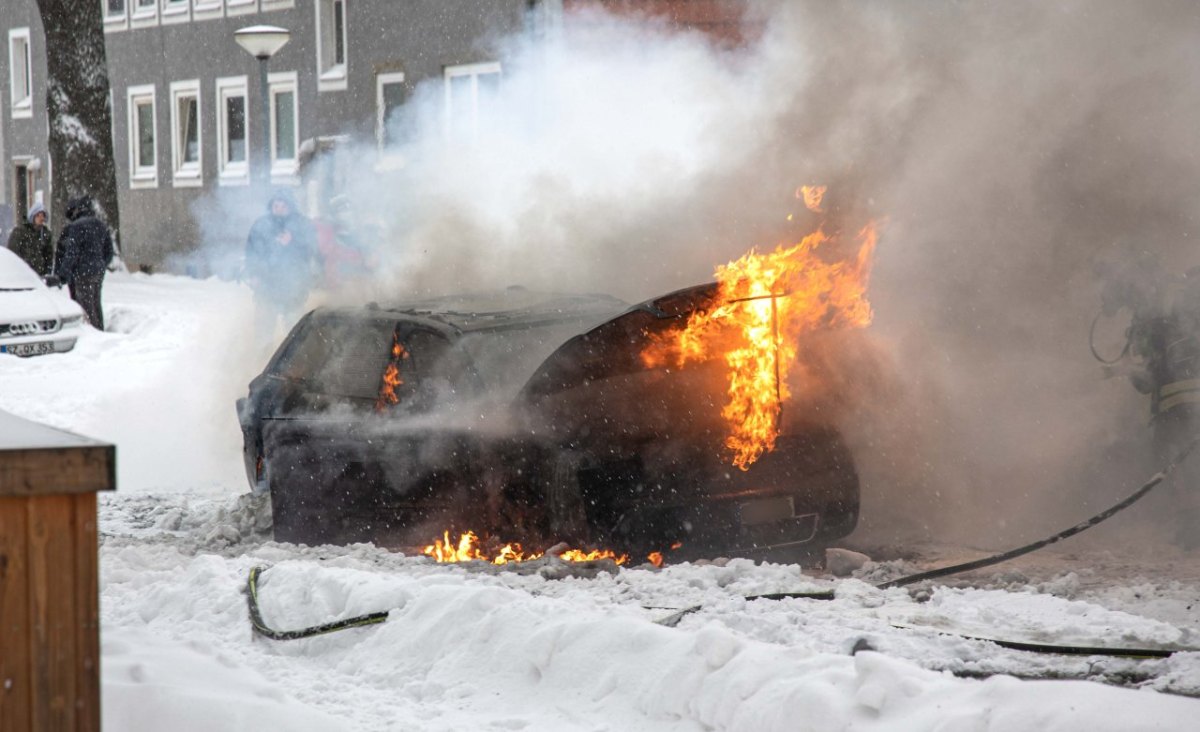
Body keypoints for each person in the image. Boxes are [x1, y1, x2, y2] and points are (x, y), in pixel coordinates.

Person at [1097, 255, 1200, 547]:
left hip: (1176, 403)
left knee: (1174, 463)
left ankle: (1192, 528)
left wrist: (1123, 370)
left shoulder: (1151, 314)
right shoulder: (1180, 302)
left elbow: (1147, 380)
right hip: (1187, 402)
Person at [244, 189, 319, 339]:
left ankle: (292, 358)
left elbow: (312, 250)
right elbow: (251, 253)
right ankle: (263, 357)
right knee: (263, 329)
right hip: (267, 285)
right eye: (276, 206)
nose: (279, 210)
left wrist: (293, 242)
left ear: (291, 207)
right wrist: (253, 274)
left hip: (294, 286)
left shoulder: (302, 225)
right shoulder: (261, 226)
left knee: (294, 331)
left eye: (283, 206)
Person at [54, 196, 114, 330]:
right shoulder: (100, 224)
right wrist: (101, 264)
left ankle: (93, 335)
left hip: (82, 272)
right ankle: (100, 329)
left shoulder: (76, 227)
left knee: (85, 307)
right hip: (98, 272)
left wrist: (63, 274)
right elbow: (109, 251)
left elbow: (72, 253)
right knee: (95, 303)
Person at [315, 194, 375, 290]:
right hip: (337, 291)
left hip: (361, 288)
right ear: (334, 215)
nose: (347, 214)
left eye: (349, 210)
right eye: (342, 210)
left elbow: (371, 264)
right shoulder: (327, 235)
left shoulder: (361, 235)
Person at [6, 202, 55, 277]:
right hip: (22, 274)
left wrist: (47, 273)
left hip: (39, 276)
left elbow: (48, 256)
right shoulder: (20, 232)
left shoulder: (46, 234)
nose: (41, 218)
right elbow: (12, 253)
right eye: (38, 215)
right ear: (33, 216)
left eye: (43, 216)